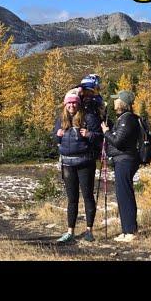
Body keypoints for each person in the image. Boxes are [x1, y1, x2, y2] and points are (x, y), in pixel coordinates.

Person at [53, 88, 102, 243]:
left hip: (85, 163)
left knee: (88, 196)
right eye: (69, 103)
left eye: (74, 103)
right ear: (65, 105)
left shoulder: (89, 118)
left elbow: (100, 138)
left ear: (78, 104)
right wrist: (57, 135)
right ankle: (70, 232)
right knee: (72, 199)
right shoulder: (61, 119)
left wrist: (89, 135)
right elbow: (55, 138)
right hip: (67, 163)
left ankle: (89, 231)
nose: (72, 106)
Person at [100, 90, 140, 243]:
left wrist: (106, 132)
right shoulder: (123, 118)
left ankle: (130, 231)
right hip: (123, 160)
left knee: (125, 195)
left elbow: (118, 141)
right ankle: (127, 230)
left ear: (122, 103)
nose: (114, 102)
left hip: (125, 160)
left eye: (116, 99)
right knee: (123, 195)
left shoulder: (127, 119)